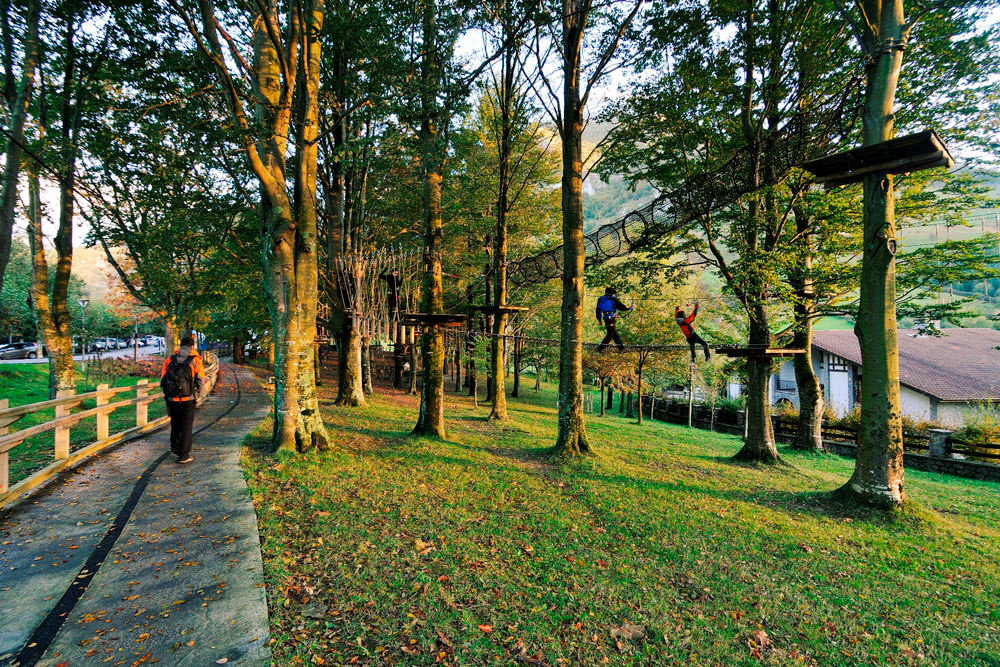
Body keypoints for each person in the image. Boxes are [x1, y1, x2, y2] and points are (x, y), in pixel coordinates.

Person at [160, 335, 205, 464]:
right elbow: (200, 380)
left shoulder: (170, 360)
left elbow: (163, 380)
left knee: (175, 424)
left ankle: (175, 448)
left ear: (180, 346)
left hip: (172, 399)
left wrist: (168, 395)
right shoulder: (195, 360)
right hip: (188, 399)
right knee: (186, 426)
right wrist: (198, 396)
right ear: (192, 346)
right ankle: (184, 455)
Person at [596, 287, 632, 352]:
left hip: (606, 318)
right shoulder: (613, 299)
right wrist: (630, 307)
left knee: (614, 333)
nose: (614, 295)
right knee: (610, 334)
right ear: (612, 293)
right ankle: (599, 348)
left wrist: (599, 319)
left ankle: (621, 348)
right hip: (611, 318)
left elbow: (598, 310)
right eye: (614, 294)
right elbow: (621, 307)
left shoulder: (600, 299)